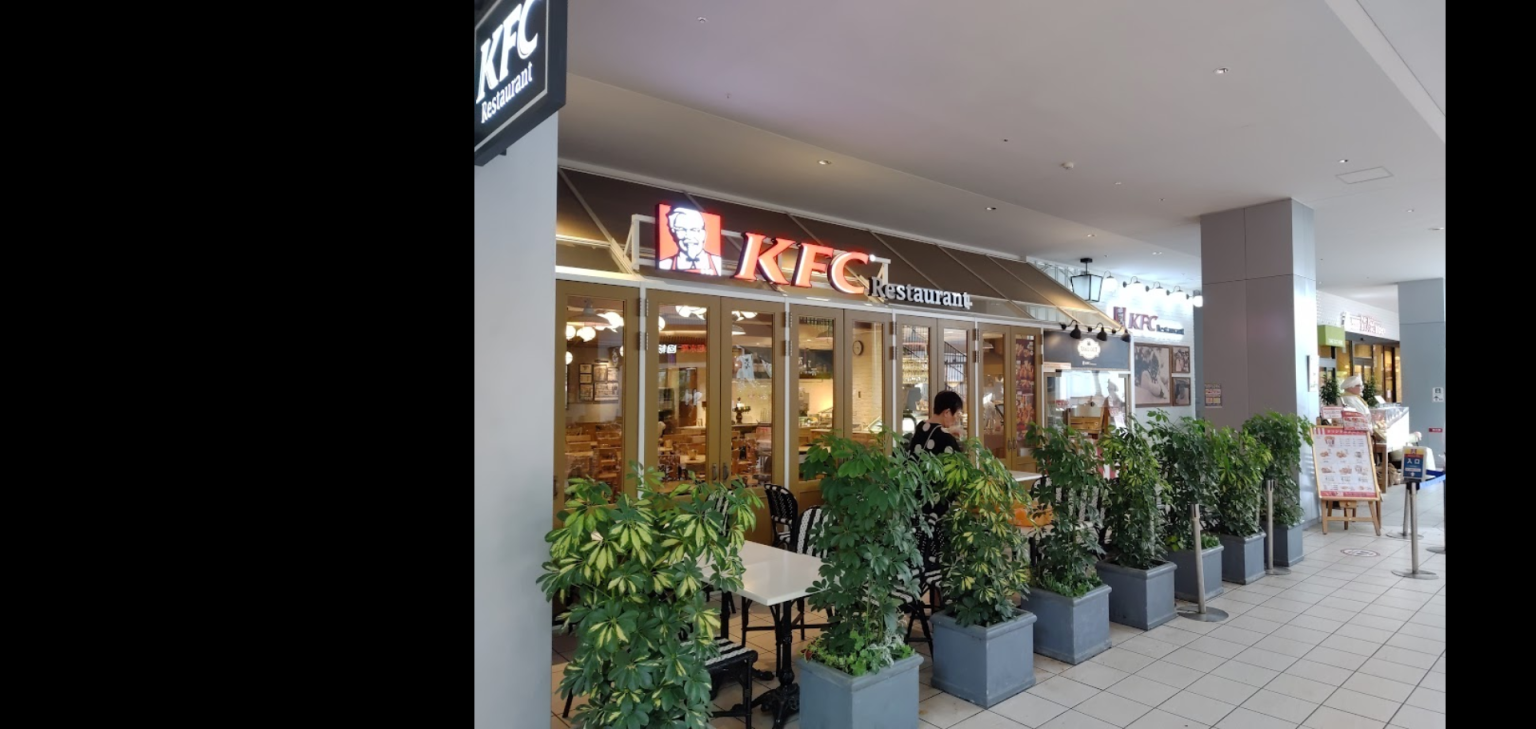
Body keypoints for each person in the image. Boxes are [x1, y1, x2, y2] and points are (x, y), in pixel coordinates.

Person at [905, 391, 964, 519]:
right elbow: (959, 472)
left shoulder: (921, 428)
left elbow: (933, 435)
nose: (956, 419)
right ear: (947, 412)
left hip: (914, 495)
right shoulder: (947, 439)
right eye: (957, 414)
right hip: (935, 502)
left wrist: (947, 431)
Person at [657, 207, 723, 275]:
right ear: (673, 233)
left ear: (704, 234)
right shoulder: (664, 264)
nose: (688, 236)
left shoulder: (717, 262)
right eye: (681, 229)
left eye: (694, 230)